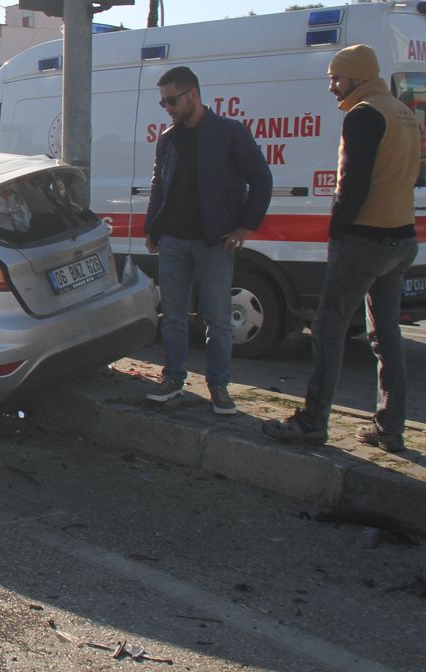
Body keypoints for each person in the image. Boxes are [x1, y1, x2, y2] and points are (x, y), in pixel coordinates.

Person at [262, 45, 421, 452]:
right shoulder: (402, 112)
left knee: (328, 328)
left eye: (336, 78)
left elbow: (353, 181)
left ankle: (313, 422)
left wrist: (337, 232)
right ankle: (390, 428)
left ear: (357, 77)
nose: (332, 86)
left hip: (366, 239)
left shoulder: (364, 114)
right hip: (402, 237)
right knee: (385, 335)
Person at [143, 65, 273, 415]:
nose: (167, 108)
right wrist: (152, 227)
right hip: (173, 240)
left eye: (172, 100)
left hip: (214, 243)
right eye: (163, 102)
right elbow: (159, 184)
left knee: (217, 321)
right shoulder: (169, 138)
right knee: (172, 317)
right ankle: (173, 379)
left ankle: (219, 386)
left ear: (193, 95)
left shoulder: (229, 133)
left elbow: (261, 180)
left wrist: (245, 227)